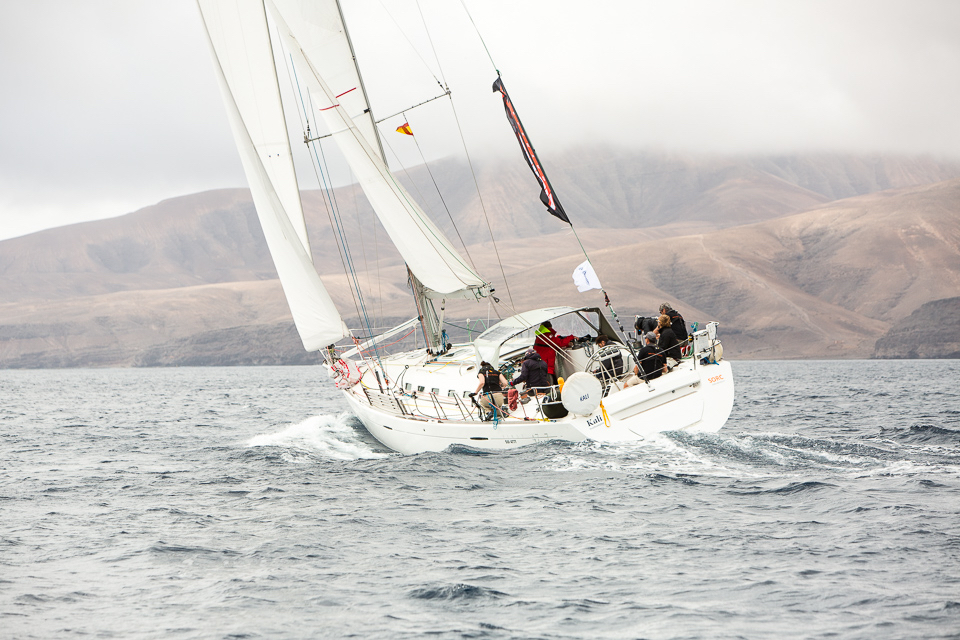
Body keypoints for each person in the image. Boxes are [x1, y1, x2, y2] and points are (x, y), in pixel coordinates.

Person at [532, 321, 578, 385]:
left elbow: (552, 345)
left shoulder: (540, 336)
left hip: (539, 366)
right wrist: (571, 337)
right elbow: (559, 343)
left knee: (551, 384)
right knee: (550, 386)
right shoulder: (547, 335)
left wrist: (567, 344)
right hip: (546, 368)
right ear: (550, 327)